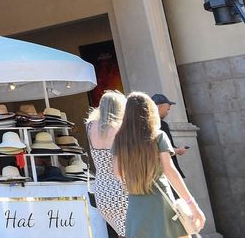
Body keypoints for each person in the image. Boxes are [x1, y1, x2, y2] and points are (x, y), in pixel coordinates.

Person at [112, 92, 204, 237]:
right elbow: (170, 172)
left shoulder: (120, 139)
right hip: (161, 203)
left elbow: (118, 172)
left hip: (136, 204)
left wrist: (137, 175)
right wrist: (192, 205)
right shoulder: (158, 135)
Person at [87, 90, 129, 236]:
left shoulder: (90, 127)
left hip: (101, 189)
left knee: (122, 233)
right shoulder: (117, 129)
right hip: (120, 188)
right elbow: (119, 170)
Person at [151, 94, 187, 177]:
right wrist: (178, 150)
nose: (167, 113)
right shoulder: (161, 125)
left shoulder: (143, 125)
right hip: (167, 171)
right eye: (167, 109)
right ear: (159, 106)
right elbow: (164, 150)